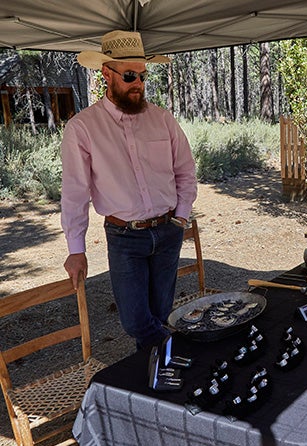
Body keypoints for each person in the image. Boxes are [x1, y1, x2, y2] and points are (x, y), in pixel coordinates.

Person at [61, 30, 198, 351]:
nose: (138, 83)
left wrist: (181, 217)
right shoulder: (83, 128)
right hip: (124, 237)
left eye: (143, 75)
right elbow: (75, 192)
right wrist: (75, 248)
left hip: (168, 231)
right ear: (107, 74)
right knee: (135, 320)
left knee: (159, 313)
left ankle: (155, 379)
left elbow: (185, 171)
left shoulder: (162, 119)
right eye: (130, 75)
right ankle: (181, 349)